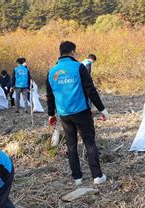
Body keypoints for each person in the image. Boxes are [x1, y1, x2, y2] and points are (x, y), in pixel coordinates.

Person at [46, 41, 109, 186]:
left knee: (71, 145)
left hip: (64, 114)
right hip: (81, 111)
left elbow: (50, 96)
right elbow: (90, 89)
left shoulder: (52, 71)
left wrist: (51, 114)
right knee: (89, 142)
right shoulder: (79, 67)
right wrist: (102, 109)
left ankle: (77, 178)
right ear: (72, 51)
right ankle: (97, 176)